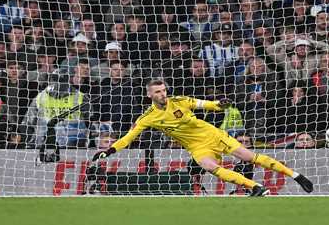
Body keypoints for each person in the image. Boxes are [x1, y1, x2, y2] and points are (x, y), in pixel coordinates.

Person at [92, 79, 314, 196]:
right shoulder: (147, 117)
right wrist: (108, 150)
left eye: (164, 90)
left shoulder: (179, 100)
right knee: (208, 166)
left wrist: (219, 105)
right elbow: (128, 138)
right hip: (196, 146)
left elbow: (203, 104)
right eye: (157, 92)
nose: (163, 94)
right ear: (149, 95)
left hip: (212, 134)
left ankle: (296, 175)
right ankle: (255, 187)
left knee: (248, 156)